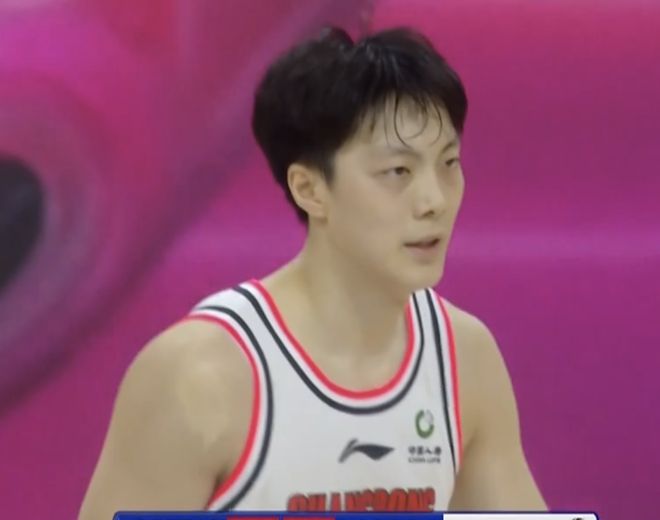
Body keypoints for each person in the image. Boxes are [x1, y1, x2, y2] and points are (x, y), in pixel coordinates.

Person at [79, 26, 546, 518]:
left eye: (449, 163)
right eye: (398, 172)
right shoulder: (198, 376)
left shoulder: (463, 360)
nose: (434, 200)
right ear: (309, 189)